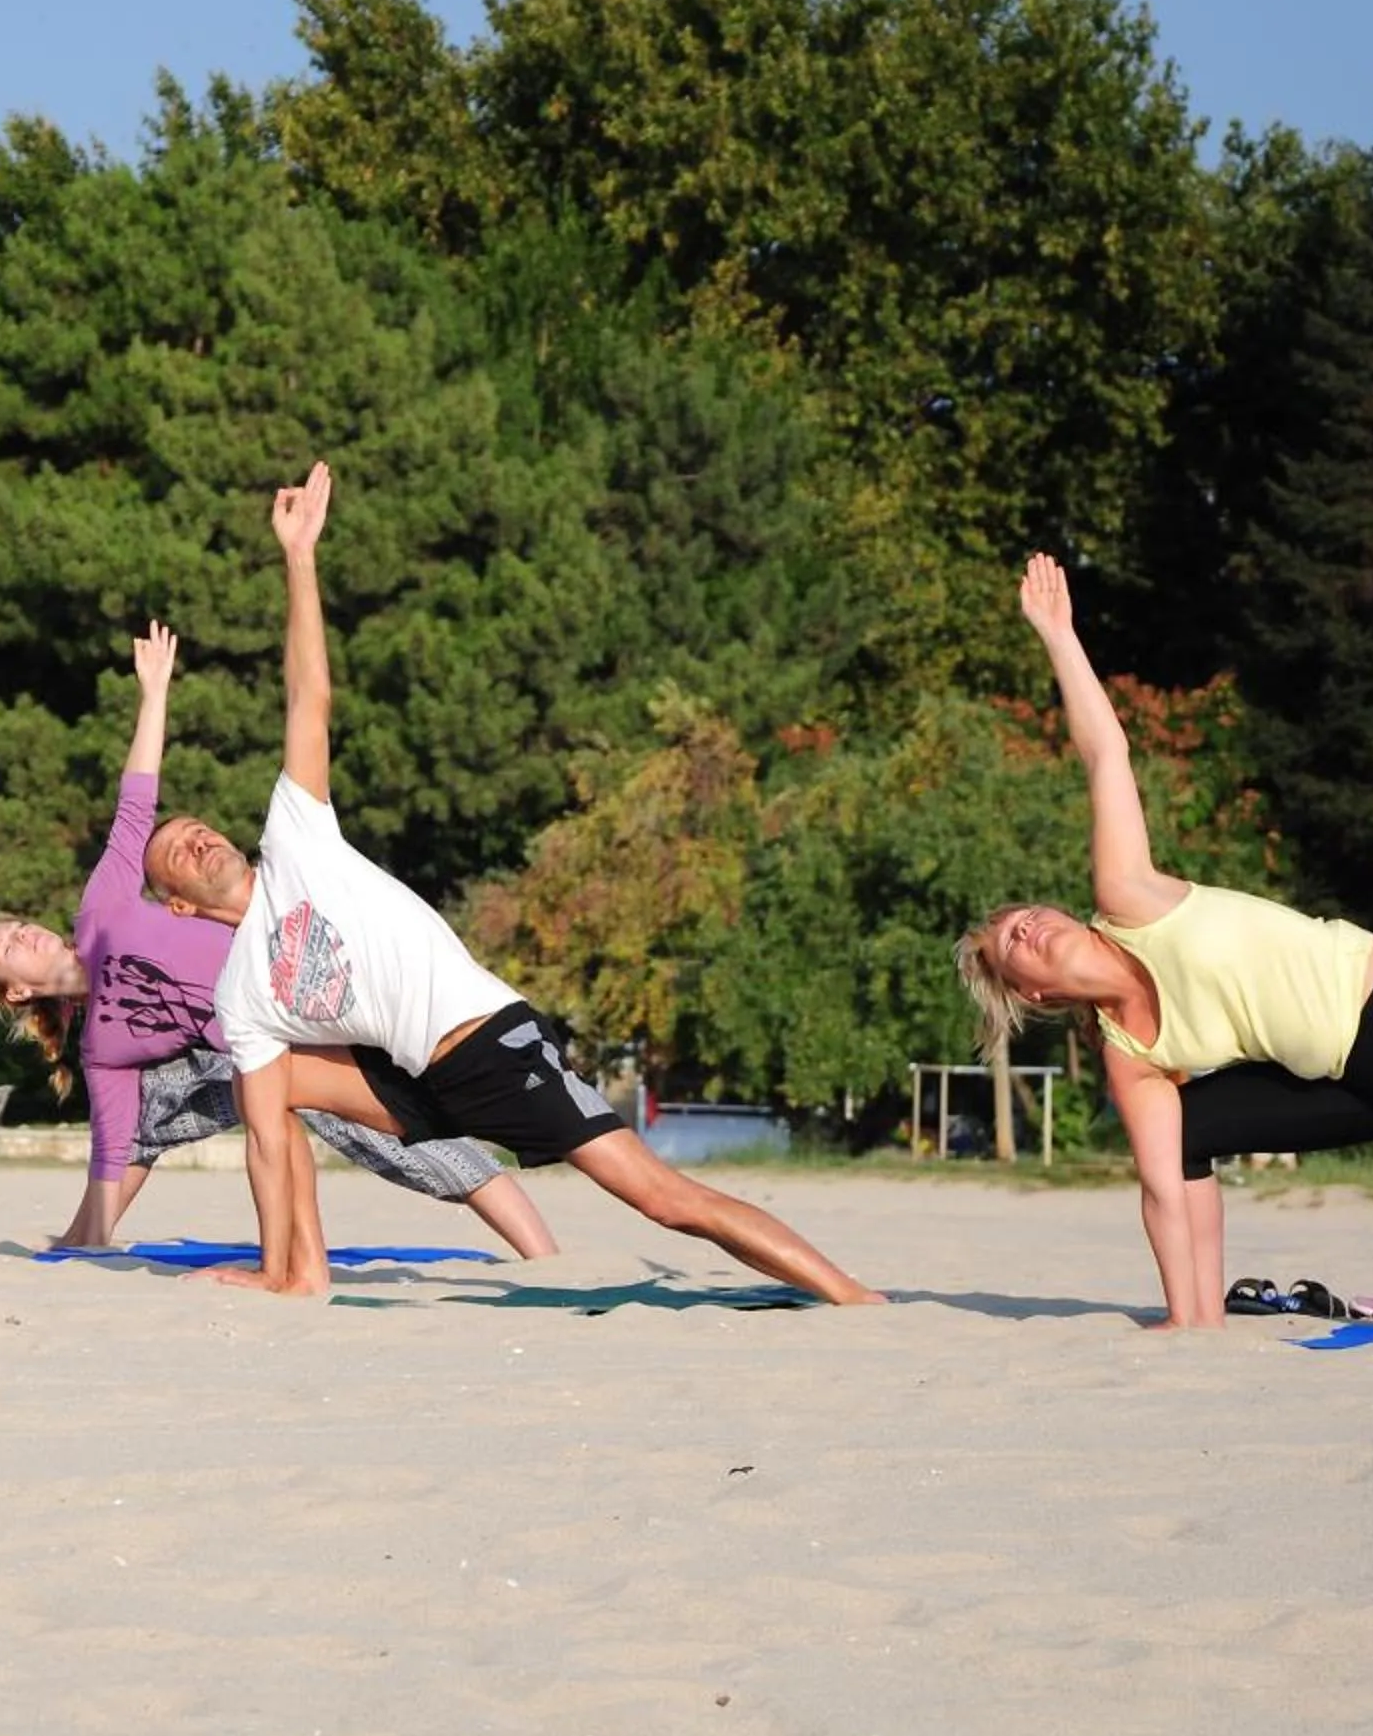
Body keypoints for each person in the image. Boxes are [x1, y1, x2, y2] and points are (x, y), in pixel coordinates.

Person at [140, 462, 880, 1305]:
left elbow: (310, 696)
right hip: (409, 1074)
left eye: (198, 829)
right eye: (177, 852)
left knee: (663, 1202)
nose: (197, 840)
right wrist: (274, 1253)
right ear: (180, 904)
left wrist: (300, 559)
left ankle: (854, 1298)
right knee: (265, 1094)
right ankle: (296, 1273)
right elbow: (268, 1142)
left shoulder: (296, 836)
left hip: (488, 1045)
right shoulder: (242, 993)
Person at [956, 553, 1373, 1328]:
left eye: (1024, 915)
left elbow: (1107, 754)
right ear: (1033, 992)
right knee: (1187, 1128)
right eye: (1012, 944)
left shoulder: (1128, 897)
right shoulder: (1128, 1057)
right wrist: (1184, 1320)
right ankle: (1199, 1317)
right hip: (1359, 1084)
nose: (1025, 926)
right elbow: (1164, 1184)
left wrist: (1059, 636)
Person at [0, 623, 558, 1259]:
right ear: (18, 989)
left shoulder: (100, 909)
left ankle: (545, 1258)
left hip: (308, 1002)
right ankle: (89, 1236)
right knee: (149, 1108)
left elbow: (136, 802)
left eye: (19, 927)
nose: (29, 935)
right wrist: (81, 1240)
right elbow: (112, 1142)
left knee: (408, 1134)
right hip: (252, 1052)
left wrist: (154, 693)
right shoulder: (102, 1050)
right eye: (12, 948)